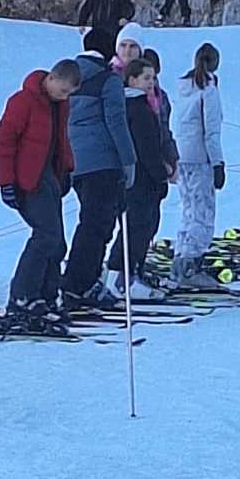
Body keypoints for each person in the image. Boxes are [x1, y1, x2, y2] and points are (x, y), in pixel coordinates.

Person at [0, 59, 81, 320]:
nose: (65, 96)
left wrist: (67, 169)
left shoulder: (60, 104)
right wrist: (6, 182)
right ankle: (23, 295)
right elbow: (4, 141)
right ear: (52, 78)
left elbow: (61, 140)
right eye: (63, 90)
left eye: (69, 93)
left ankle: (46, 295)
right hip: (28, 180)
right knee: (46, 235)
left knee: (57, 242)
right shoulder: (23, 101)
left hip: (50, 178)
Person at [62, 27, 137, 311]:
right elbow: (116, 122)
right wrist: (128, 161)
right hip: (102, 161)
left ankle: (79, 281)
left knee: (89, 221)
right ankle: (79, 284)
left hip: (74, 159)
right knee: (98, 225)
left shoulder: (69, 75)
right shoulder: (108, 79)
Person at [106, 59, 170, 298]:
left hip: (136, 178)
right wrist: (160, 176)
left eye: (153, 78)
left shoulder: (136, 105)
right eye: (146, 78)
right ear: (132, 80)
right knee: (138, 226)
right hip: (140, 179)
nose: (151, 83)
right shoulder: (137, 108)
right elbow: (147, 149)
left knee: (140, 225)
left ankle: (128, 274)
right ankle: (122, 278)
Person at [172, 42, 225, 290]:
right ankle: (191, 264)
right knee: (202, 212)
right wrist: (218, 163)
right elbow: (211, 131)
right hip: (200, 157)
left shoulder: (184, 88)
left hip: (182, 155)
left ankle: (180, 258)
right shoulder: (208, 90)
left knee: (188, 209)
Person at [141, 47, 180, 178]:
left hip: (157, 162)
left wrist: (172, 159)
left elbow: (164, 130)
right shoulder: (130, 95)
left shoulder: (161, 97)